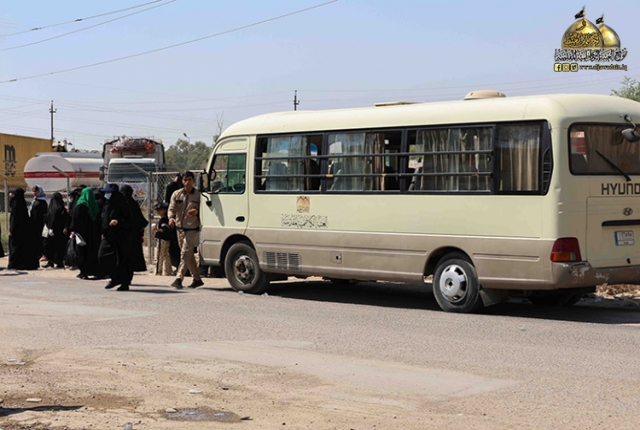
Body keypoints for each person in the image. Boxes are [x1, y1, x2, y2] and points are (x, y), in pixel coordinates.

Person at [168, 171, 204, 289]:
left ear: (193, 181)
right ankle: (197, 279)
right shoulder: (177, 194)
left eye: (189, 180)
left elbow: (205, 210)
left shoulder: (199, 195)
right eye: (185, 180)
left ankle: (179, 279)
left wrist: (196, 212)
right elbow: (171, 208)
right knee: (188, 254)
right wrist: (171, 218)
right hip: (180, 229)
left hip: (192, 229)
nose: (187, 182)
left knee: (185, 253)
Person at [98, 183, 132, 291]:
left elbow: (129, 220)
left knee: (122, 259)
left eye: (109, 192)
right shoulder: (107, 204)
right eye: (106, 192)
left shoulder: (123, 204)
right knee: (102, 256)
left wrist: (118, 221)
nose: (106, 194)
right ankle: (114, 277)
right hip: (108, 235)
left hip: (121, 236)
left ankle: (124, 282)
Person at [70, 187, 102, 279]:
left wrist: (73, 229)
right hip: (93, 234)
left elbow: (75, 219)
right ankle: (93, 270)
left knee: (82, 252)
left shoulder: (80, 205)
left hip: (82, 234)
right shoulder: (94, 206)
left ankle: (84, 271)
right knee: (92, 252)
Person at [8, 188, 39, 270]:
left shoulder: (16, 204)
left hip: (16, 231)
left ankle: (14, 264)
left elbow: (14, 219)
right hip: (23, 230)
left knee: (15, 247)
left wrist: (11, 230)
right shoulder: (21, 203)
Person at [120, 185, 148, 273]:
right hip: (134, 234)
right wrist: (141, 234)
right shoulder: (133, 204)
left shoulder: (120, 204)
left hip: (123, 234)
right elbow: (140, 221)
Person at [43, 192, 69, 268]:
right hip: (54, 230)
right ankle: (51, 261)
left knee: (56, 246)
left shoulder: (58, 208)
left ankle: (58, 261)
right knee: (52, 246)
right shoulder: (56, 208)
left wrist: (51, 227)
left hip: (56, 231)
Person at [153, 202, 173, 276]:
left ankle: (158, 271)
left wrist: (156, 229)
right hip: (166, 239)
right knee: (166, 255)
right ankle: (168, 271)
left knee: (159, 255)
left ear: (164, 210)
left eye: (160, 210)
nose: (158, 211)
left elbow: (165, 229)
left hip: (162, 239)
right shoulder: (166, 219)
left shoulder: (164, 220)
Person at [30, 185, 48, 264]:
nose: (34, 193)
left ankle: (43, 254)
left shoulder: (42, 202)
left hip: (40, 224)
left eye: (36, 191)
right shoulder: (35, 200)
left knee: (40, 239)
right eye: (34, 192)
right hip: (34, 223)